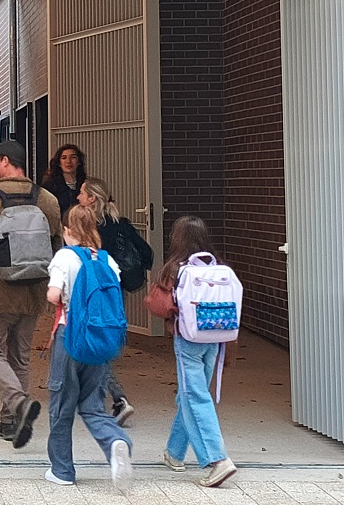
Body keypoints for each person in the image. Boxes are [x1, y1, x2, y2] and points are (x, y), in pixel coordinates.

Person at [0, 141, 61, 447]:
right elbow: (56, 243)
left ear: (7, 161)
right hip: (33, 290)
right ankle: (10, 423)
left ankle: (18, 404)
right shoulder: (47, 199)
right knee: (19, 356)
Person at [44, 205, 133, 491]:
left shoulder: (65, 257)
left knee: (61, 405)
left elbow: (54, 295)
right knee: (93, 405)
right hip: (99, 341)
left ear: (67, 231)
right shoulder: (107, 261)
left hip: (69, 337)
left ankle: (62, 470)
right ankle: (115, 441)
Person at [146, 215, 238, 488]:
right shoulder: (218, 266)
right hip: (216, 339)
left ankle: (217, 460)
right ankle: (174, 453)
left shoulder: (176, 268)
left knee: (194, 396)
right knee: (191, 394)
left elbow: (157, 304)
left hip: (188, 340)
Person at [77, 176, 154, 425]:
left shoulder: (87, 228)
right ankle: (95, 397)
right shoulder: (121, 224)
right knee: (97, 345)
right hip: (115, 294)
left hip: (92, 293)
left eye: (82, 193)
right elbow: (147, 254)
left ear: (91, 199)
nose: (78, 197)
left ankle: (118, 399)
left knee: (92, 347)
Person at [41, 144, 87, 215]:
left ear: (79, 162)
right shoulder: (49, 187)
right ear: (59, 163)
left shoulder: (87, 185)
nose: (68, 161)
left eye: (73, 157)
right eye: (64, 158)